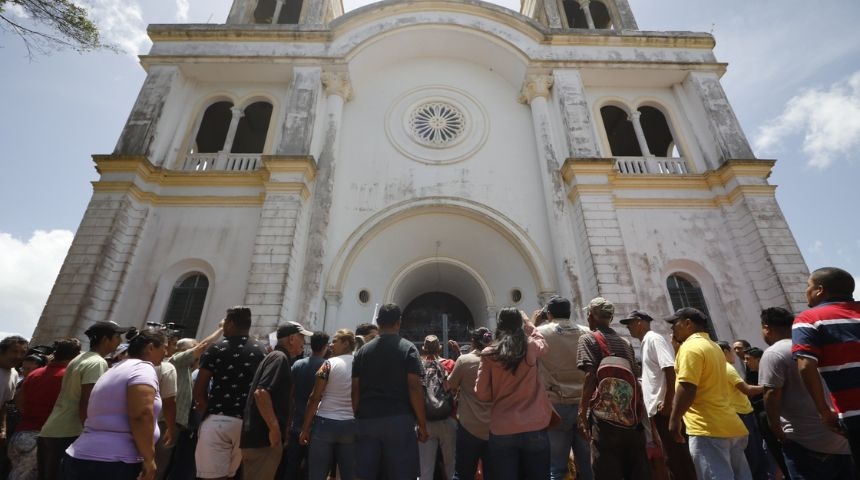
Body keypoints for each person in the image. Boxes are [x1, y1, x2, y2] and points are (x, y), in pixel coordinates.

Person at [759, 306, 856, 479]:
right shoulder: (816, 344)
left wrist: (776, 428)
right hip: (840, 438)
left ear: (766, 328)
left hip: (804, 440)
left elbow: (771, 394)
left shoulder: (774, 353)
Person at [61, 328, 168, 479]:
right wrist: (149, 459)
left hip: (81, 455)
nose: (166, 353)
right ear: (151, 347)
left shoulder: (114, 368)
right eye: (164, 347)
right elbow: (141, 414)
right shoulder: (143, 368)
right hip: (114, 463)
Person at [666, 307, 751, 480]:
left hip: (707, 429)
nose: (672, 329)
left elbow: (688, 387)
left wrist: (674, 420)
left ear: (688, 323)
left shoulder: (690, 347)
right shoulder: (713, 346)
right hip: (731, 425)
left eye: (675, 324)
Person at [39, 321, 126, 480]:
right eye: (117, 336)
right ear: (106, 339)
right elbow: (88, 401)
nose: (120, 341)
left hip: (53, 428)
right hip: (70, 431)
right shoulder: (97, 363)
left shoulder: (81, 358)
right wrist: (90, 433)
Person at [351, 303, 427, 480]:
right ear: (398, 322)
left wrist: (354, 418)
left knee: (365, 474)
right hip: (399, 420)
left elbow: (355, 389)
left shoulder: (362, 351)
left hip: (367, 419)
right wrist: (422, 423)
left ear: (378, 322)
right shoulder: (408, 348)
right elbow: (414, 387)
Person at [576, 298, 649, 480]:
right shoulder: (625, 342)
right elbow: (635, 375)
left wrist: (582, 411)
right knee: (636, 471)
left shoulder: (587, 339)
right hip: (631, 420)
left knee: (606, 471)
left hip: (605, 421)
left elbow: (590, 376)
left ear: (591, 317)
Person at [475, 307, 552, 480]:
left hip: (502, 427)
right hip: (534, 425)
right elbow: (543, 345)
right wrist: (529, 324)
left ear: (499, 325)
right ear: (519, 324)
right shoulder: (531, 345)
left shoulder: (489, 353)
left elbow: (481, 393)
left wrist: (498, 395)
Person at [793, 267, 860, 460]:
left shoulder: (808, 319)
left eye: (808, 286)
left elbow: (805, 365)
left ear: (819, 290)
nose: (806, 290)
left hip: (854, 415)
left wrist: (823, 410)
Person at [193, 307, 268, 480]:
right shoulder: (261, 350)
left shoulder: (216, 348)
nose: (224, 326)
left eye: (225, 322)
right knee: (230, 475)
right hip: (245, 425)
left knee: (211, 477)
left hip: (218, 421)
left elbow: (199, 390)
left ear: (231, 323)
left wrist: (206, 411)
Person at [622, 310, 696, 480]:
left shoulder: (654, 339)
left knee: (678, 459)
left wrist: (669, 402)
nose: (628, 328)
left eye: (630, 323)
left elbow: (670, 369)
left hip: (665, 409)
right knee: (671, 458)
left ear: (640, 322)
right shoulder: (646, 342)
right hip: (659, 410)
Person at [241, 322, 309, 480]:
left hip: (259, 439)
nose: (303, 343)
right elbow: (261, 392)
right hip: (263, 440)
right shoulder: (280, 357)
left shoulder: (275, 357)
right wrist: (274, 429)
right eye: (301, 338)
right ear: (291, 338)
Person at [536, 296, 594, 480]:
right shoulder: (586, 332)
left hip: (556, 403)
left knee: (556, 467)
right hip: (584, 403)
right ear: (569, 312)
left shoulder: (540, 333)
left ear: (549, 314)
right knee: (588, 465)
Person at [9, 338, 81, 480]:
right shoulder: (68, 377)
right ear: (76, 355)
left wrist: (31, 416)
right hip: (40, 439)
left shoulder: (36, 373)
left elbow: (18, 400)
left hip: (20, 435)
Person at [165, 324, 223, 480]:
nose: (198, 352)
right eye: (193, 349)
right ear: (182, 352)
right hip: (168, 423)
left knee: (171, 464)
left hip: (179, 425)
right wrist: (221, 329)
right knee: (161, 464)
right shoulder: (175, 362)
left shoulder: (188, 371)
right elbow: (203, 346)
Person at [299, 329, 357, 480]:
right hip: (350, 425)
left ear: (345, 343)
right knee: (349, 473)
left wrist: (305, 428)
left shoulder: (328, 364)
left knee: (317, 474)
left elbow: (314, 397)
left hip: (325, 423)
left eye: (335, 341)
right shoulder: (361, 364)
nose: (331, 345)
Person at [717, 342, 768, 480]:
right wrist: (769, 386)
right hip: (742, 415)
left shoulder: (721, 368)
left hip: (743, 413)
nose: (735, 354)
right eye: (732, 351)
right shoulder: (726, 368)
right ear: (725, 352)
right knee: (754, 454)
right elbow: (746, 389)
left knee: (755, 453)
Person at [448, 327, 492, 480]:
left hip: (468, 426)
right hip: (493, 427)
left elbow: (450, 385)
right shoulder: (499, 361)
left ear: (473, 341)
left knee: (463, 472)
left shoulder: (464, 361)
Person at [286, 329, 328, 480]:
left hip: (296, 423)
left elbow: (290, 395)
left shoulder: (298, 364)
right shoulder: (327, 366)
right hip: (316, 427)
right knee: (310, 470)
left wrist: (288, 422)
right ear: (325, 347)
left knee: (291, 466)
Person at [417, 334, 456, 480]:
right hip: (448, 418)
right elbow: (455, 389)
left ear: (424, 349)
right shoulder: (449, 364)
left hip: (425, 421)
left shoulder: (418, 366)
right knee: (451, 467)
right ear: (440, 348)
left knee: (425, 469)